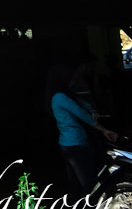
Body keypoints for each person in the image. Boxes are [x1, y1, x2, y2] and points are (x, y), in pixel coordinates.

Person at [47, 63, 117, 198]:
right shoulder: (59, 96)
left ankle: (81, 208)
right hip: (73, 143)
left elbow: (82, 105)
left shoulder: (62, 95)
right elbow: (80, 112)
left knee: (79, 182)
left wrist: (91, 110)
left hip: (71, 143)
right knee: (87, 182)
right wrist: (103, 129)